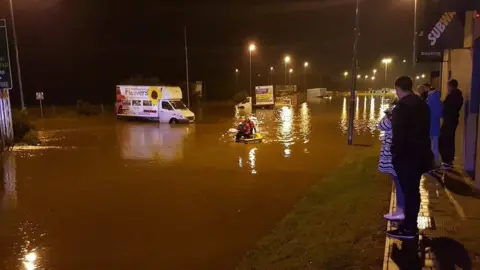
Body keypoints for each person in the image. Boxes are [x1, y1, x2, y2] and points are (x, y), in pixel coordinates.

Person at [388, 76, 433, 240]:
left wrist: (394, 154)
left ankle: (408, 229)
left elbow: (398, 135)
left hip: (407, 157)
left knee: (409, 192)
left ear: (398, 88)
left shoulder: (401, 107)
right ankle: (409, 225)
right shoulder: (422, 104)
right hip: (421, 155)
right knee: (413, 191)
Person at [378, 102, 404, 221]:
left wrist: (389, 117)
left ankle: (400, 210)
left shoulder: (396, 117)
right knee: (398, 181)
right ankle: (401, 208)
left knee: (398, 181)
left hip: (395, 152)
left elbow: (381, 126)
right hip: (398, 152)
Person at [439, 80, 464, 170]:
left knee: (445, 140)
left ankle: (447, 161)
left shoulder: (453, 96)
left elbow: (448, 107)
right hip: (451, 120)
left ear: (451, 86)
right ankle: (448, 160)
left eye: (448, 86)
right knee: (448, 140)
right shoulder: (458, 96)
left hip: (449, 120)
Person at [426, 85, 443, 166]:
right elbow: (441, 114)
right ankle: (436, 162)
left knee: (431, 146)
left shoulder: (429, 100)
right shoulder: (439, 101)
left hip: (429, 126)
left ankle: (433, 163)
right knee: (435, 146)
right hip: (436, 126)